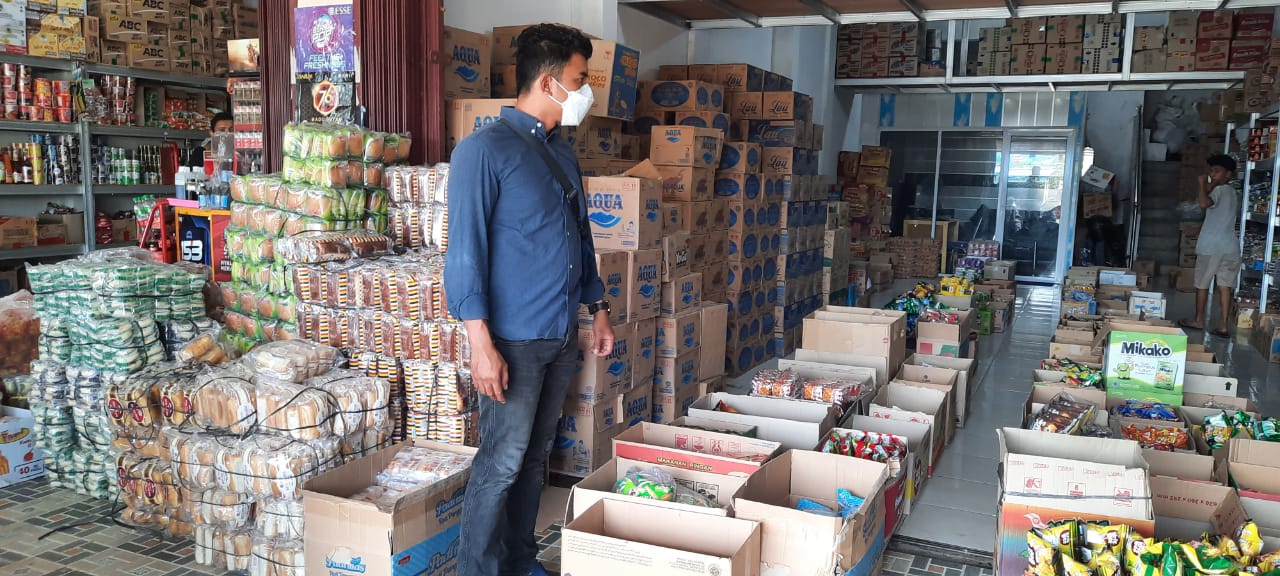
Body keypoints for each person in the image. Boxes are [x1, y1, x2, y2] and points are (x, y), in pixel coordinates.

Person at [444, 23, 614, 576]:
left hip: (560, 335)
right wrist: (480, 345)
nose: (585, 92)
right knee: (501, 463)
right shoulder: (482, 151)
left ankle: (519, 561)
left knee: (535, 459)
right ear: (547, 82)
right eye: (579, 80)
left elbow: (580, 237)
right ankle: (478, 570)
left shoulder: (561, 154)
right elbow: (464, 254)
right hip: (511, 342)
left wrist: (598, 309)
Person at [1180, 154, 1240, 337]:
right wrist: (1209, 186)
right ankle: (1223, 326)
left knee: (1202, 284)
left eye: (1217, 171)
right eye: (1211, 171)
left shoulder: (1219, 191)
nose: (1212, 174)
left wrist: (1201, 184)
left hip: (1212, 247)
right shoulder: (1233, 193)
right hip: (1230, 247)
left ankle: (1198, 320)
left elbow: (1204, 203)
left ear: (1228, 174)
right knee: (1225, 287)